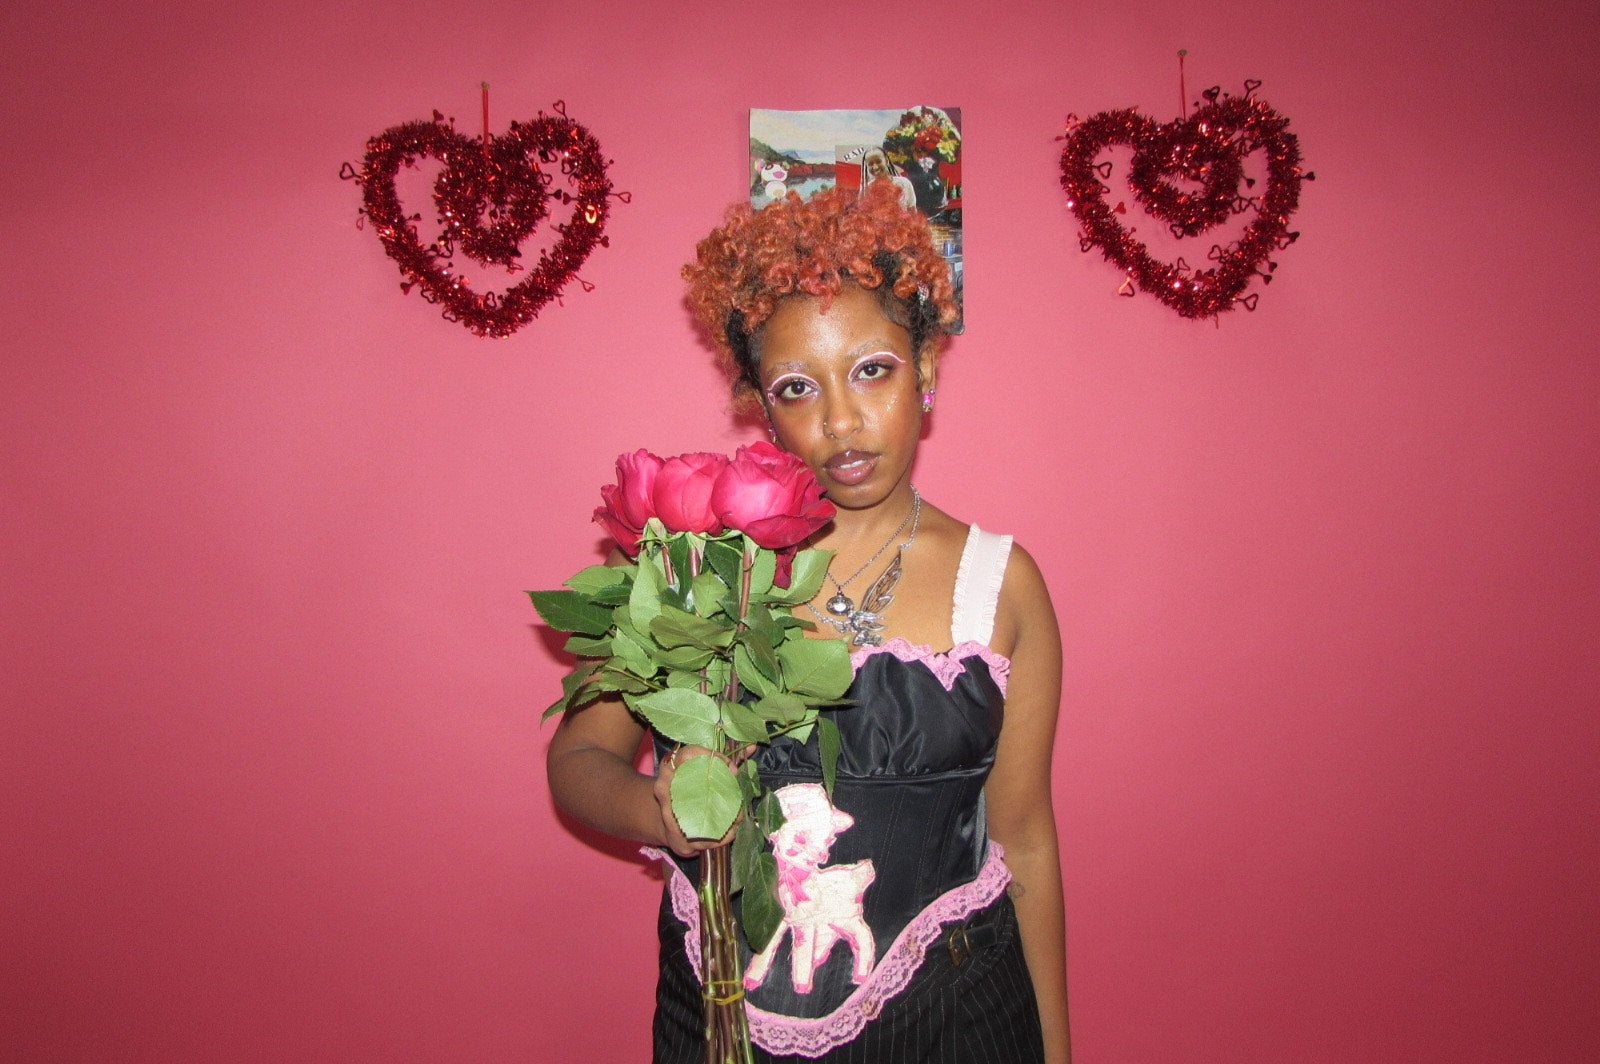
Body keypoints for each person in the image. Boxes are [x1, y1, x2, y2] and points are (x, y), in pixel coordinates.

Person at [546, 182, 1071, 1063]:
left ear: (928, 369)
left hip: (960, 1025)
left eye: (873, 369)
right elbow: (575, 760)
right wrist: (655, 808)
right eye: (798, 386)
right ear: (759, 403)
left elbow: (1025, 842)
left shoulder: (1001, 586)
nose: (841, 419)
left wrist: (1057, 1054)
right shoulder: (697, 566)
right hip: (723, 1022)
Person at [860, 147, 917, 212]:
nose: (875, 167)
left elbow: (912, 211)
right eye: (870, 164)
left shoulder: (904, 183)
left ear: (887, 161)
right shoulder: (866, 190)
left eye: (878, 161)